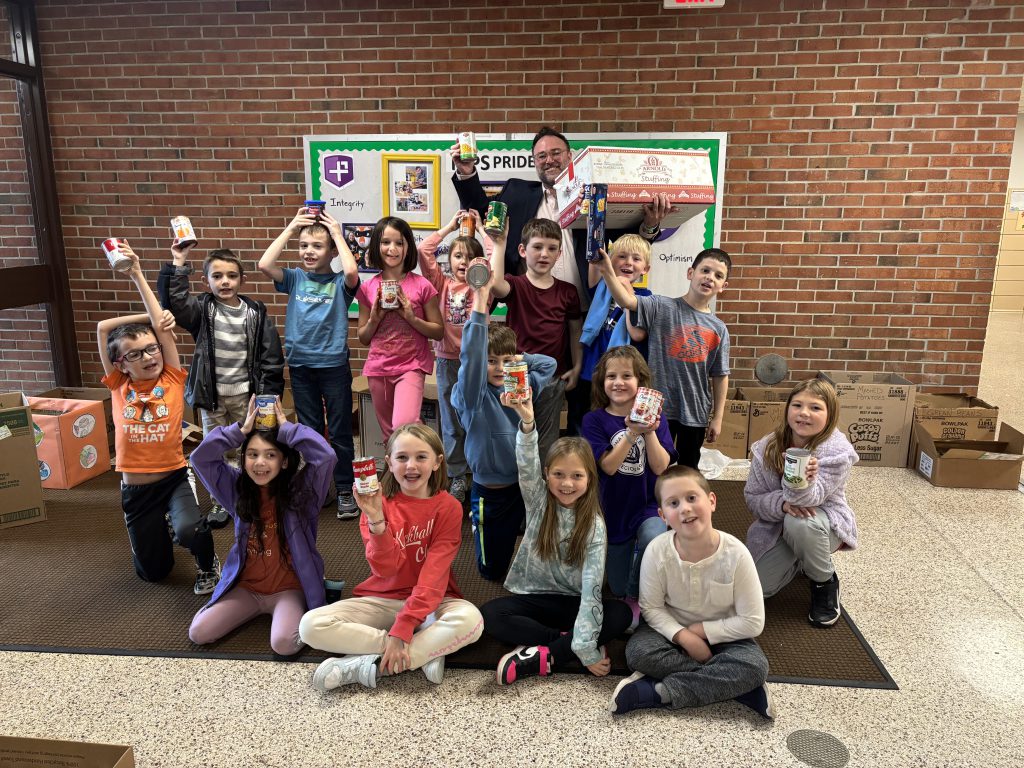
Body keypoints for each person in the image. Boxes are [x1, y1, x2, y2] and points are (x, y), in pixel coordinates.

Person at [449, 126, 673, 436]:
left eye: (556, 153)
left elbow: (623, 239)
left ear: (570, 157)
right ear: (534, 161)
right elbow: (485, 214)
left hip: (586, 317)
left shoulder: (591, 194)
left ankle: (580, 464)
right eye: (541, 155)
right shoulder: (516, 191)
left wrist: (650, 224)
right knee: (526, 408)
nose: (549, 160)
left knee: (583, 399)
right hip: (531, 313)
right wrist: (466, 173)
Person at [298, 424, 484, 690]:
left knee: (472, 620)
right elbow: (385, 570)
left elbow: (434, 575)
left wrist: (404, 625)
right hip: (382, 598)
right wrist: (376, 520)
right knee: (310, 626)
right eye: (402, 457)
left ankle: (363, 666)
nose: (411, 465)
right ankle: (426, 650)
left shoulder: (449, 507)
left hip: (432, 600)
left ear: (437, 462)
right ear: (388, 462)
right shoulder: (376, 503)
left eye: (421, 457)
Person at [479, 394, 632, 685]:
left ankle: (543, 654)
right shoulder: (538, 500)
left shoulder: (594, 524)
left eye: (576, 476)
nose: (566, 483)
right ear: (547, 475)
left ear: (589, 479)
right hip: (535, 599)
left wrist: (586, 642)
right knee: (491, 614)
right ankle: (565, 644)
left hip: (576, 603)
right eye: (559, 474)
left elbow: (591, 589)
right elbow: (526, 464)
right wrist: (526, 422)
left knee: (620, 614)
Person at [97, 241, 220, 595]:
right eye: (136, 353)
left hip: (173, 478)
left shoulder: (171, 377)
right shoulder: (119, 384)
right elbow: (104, 328)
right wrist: (143, 320)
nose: (149, 356)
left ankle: (206, 564)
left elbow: (163, 332)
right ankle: (160, 530)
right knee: (154, 573)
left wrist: (136, 273)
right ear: (121, 364)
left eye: (152, 348)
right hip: (136, 490)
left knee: (191, 530)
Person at [610, 466, 773, 719]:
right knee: (638, 653)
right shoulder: (657, 551)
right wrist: (683, 637)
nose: (684, 508)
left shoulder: (736, 553)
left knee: (755, 666)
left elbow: (752, 622)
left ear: (712, 501)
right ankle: (735, 687)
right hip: (668, 631)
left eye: (692, 498)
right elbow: (651, 608)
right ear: (663, 516)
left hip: (726, 636)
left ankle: (658, 692)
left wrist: (699, 632)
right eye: (674, 503)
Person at [187, 396, 336, 655]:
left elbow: (325, 457)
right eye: (252, 455)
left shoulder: (301, 493)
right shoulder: (237, 490)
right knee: (199, 632)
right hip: (248, 588)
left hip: (288, 589)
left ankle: (298, 612)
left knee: (284, 644)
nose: (260, 463)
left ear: (284, 461)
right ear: (243, 459)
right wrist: (239, 432)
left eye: (270, 455)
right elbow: (201, 459)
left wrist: (288, 430)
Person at [158, 242, 284, 529]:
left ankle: (250, 495)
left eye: (231, 275)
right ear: (206, 281)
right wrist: (179, 262)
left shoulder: (255, 312)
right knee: (216, 448)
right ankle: (221, 498)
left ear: (242, 280)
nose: (225, 281)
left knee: (248, 447)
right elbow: (175, 303)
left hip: (246, 397)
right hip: (212, 397)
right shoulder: (201, 311)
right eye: (217, 276)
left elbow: (271, 356)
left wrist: (266, 397)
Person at [451, 255, 557, 582]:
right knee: (491, 571)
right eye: (491, 361)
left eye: (505, 361)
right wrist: (480, 303)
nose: (499, 367)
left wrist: (518, 360)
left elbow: (549, 367)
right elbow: (471, 358)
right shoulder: (472, 396)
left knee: (527, 553)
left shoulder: (517, 386)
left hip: (522, 488)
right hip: (488, 492)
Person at [258, 208, 361, 520]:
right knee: (311, 431)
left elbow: (353, 272)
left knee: (341, 430)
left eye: (316, 246)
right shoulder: (294, 278)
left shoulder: (340, 283)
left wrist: (338, 237)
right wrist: (291, 228)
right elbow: (264, 264)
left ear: (330, 251)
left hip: (333, 367)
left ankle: (344, 488)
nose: (308, 252)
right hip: (301, 367)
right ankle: (318, 487)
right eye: (303, 246)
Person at [598, 246, 732, 470]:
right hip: (657, 409)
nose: (710, 278)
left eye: (718, 276)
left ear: (723, 286)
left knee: (688, 470)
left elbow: (720, 375)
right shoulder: (661, 306)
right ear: (691, 273)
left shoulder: (719, 328)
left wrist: (717, 418)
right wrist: (606, 272)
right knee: (654, 468)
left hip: (695, 412)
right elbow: (627, 302)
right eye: (705, 270)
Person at [744, 379, 858, 628]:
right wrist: (782, 506)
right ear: (787, 409)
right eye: (797, 405)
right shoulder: (768, 446)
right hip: (778, 525)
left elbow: (811, 501)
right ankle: (803, 559)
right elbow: (753, 498)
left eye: (815, 408)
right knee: (756, 590)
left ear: (830, 415)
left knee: (799, 522)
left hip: (823, 523)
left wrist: (801, 482)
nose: (804, 413)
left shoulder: (836, 452)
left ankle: (824, 582)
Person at [581, 346, 675, 628]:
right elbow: (608, 466)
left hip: (648, 504)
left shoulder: (658, 421)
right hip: (613, 508)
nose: (618, 382)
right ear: (602, 382)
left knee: (654, 539)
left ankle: (639, 593)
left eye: (626, 376)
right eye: (611, 376)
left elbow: (660, 467)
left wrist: (648, 431)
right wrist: (632, 431)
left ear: (640, 383)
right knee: (617, 586)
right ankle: (630, 586)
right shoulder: (594, 420)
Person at [491, 217, 582, 465]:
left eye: (552, 248)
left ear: (559, 254)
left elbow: (575, 332)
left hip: (554, 378)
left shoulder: (568, 291)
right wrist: (499, 244)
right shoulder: (515, 284)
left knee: (546, 438)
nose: (544, 254)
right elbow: (496, 285)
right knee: (515, 433)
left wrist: (577, 367)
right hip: (516, 375)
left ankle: (542, 492)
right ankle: (513, 489)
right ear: (523, 250)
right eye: (537, 247)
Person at [416, 208, 489, 503]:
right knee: (450, 422)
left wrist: (482, 229)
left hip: (475, 363)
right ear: (449, 260)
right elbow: (424, 249)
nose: (464, 262)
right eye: (458, 256)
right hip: (447, 360)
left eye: (471, 257)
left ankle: (478, 473)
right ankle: (458, 476)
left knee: (475, 419)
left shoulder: (482, 284)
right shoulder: (441, 283)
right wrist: (449, 226)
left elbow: (494, 255)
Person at [356, 216, 444, 441]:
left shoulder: (422, 285)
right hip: (378, 368)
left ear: (408, 248)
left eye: (399, 243)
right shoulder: (367, 287)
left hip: (411, 366)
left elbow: (438, 331)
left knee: (403, 425)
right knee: (390, 436)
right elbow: (363, 337)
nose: (392, 249)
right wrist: (375, 318)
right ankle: (399, 473)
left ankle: (428, 459)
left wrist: (411, 318)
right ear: (376, 245)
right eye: (385, 242)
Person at [578, 234, 652, 430]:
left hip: (621, 375)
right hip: (591, 371)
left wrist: (628, 293)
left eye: (636, 259)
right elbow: (595, 255)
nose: (628, 262)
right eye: (621, 256)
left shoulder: (646, 298)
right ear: (610, 261)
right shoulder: (601, 287)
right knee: (585, 422)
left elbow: (637, 334)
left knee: (613, 425)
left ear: (645, 269)